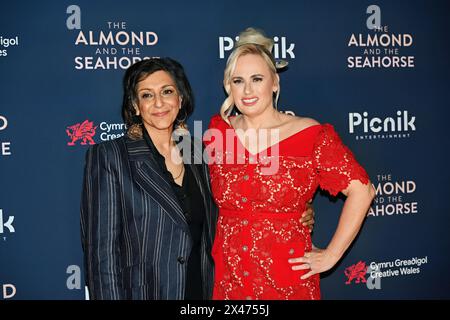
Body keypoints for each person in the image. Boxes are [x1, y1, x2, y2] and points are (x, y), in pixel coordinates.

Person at [80, 57, 317, 300]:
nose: (159, 102)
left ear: (180, 99)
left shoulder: (200, 152)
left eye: (167, 91)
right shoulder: (110, 157)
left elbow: (240, 194)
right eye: (147, 95)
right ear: (135, 106)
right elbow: (101, 255)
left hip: (201, 291)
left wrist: (297, 209)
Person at [204, 28, 375, 300]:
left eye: (257, 79)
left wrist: (332, 255)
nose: (247, 90)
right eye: (238, 81)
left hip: (286, 280)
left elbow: (362, 190)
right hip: (229, 279)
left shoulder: (309, 135)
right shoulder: (217, 133)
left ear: (274, 83)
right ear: (229, 86)